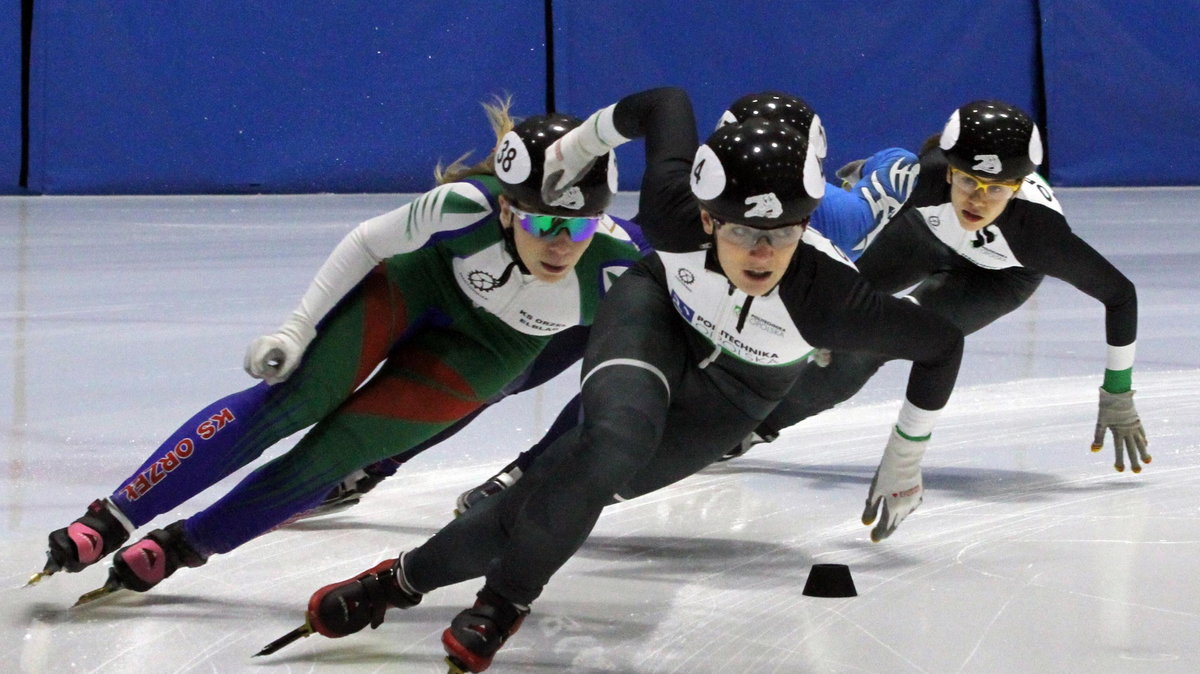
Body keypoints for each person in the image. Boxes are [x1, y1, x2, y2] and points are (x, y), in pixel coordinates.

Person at [282, 100, 963, 672]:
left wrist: (906, 454)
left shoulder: (832, 298)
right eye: (740, 231)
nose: (762, 254)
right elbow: (664, 103)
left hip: (744, 387)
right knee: (611, 445)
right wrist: (585, 142)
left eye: (783, 233)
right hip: (656, 315)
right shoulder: (670, 211)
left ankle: (399, 581)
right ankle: (502, 602)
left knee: (564, 482)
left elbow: (942, 344)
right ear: (702, 217)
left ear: (807, 222)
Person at [33, 99, 648, 599]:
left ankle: (182, 547)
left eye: (579, 225)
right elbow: (365, 242)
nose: (561, 244)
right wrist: (295, 330)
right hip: (418, 286)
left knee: (335, 455)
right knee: (297, 398)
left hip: (492, 351)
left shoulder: (617, 267)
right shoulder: (465, 207)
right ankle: (112, 517)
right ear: (508, 206)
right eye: (542, 223)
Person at [301, 87, 919, 518]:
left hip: (694, 317)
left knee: (591, 395)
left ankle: (512, 473)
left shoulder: (831, 216)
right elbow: (895, 177)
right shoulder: (833, 211)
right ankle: (407, 464)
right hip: (640, 283)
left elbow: (890, 185)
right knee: (514, 371)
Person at [742, 99, 1149, 474]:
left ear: (1019, 186)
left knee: (869, 345)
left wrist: (1118, 391)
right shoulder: (929, 176)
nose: (978, 200)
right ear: (951, 170)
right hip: (927, 234)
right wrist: (869, 185)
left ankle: (753, 428)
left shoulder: (1038, 234)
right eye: (969, 181)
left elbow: (1120, 295)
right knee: (823, 297)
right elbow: (888, 171)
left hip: (996, 277)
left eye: (997, 189)